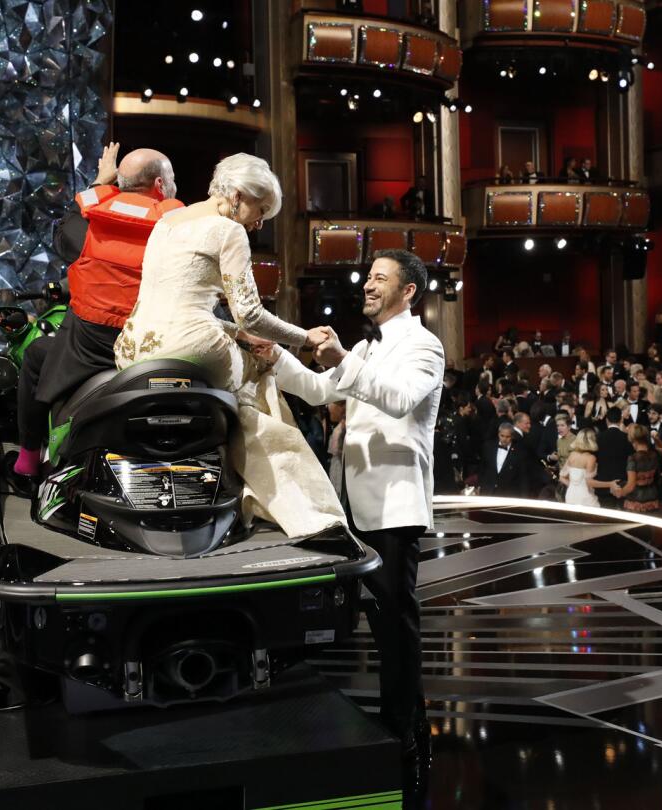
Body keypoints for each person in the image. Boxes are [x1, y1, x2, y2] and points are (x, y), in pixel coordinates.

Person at [269, 248, 445, 809]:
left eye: (379, 278)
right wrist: (275, 356)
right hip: (353, 505)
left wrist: (342, 355)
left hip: (394, 506)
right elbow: (322, 392)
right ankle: (398, 719)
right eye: (367, 277)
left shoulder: (425, 346)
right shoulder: (368, 347)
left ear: (409, 290)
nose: (367, 285)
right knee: (368, 623)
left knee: (396, 626)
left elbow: (397, 400)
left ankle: (407, 732)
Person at [118, 153, 340, 537]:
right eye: (261, 209)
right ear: (237, 195)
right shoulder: (228, 231)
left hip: (132, 346)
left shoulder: (166, 220)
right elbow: (250, 315)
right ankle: (288, 503)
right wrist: (304, 338)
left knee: (248, 347)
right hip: (191, 346)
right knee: (263, 370)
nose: (259, 223)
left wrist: (239, 334)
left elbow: (179, 305)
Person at [15, 143, 184, 476]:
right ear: (161, 186)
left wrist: (99, 181)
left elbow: (64, 232)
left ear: (121, 183)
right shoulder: (179, 231)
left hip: (87, 352)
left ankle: (28, 459)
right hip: (152, 349)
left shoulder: (89, 225)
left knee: (35, 354)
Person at [611, 423, 662, 513]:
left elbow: (631, 485)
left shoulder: (633, 458)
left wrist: (620, 492)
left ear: (633, 440)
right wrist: (656, 439)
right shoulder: (654, 454)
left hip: (636, 501)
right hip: (653, 499)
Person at [558, 428, 603, 507]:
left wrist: (573, 486)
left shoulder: (572, 455)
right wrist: (610, 484)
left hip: (570, 495)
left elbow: (561, 477)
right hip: (585, 497)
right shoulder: (591, 458)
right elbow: (589, 482)